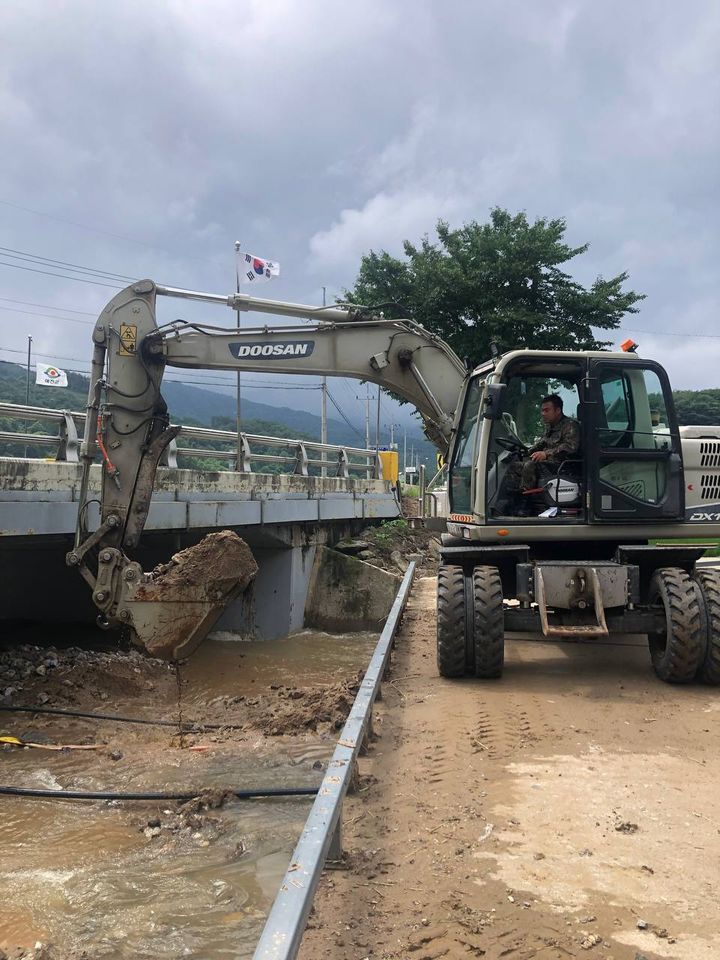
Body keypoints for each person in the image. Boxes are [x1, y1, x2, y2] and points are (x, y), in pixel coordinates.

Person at [496, 394, 580, 515]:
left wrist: (546, 454)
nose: (543, 413)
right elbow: (541, 443)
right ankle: (513, 501)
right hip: (549, 465)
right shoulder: (550, 427)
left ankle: (525, 505)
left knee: (530, 465)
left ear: (558, 410)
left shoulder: (570, 425)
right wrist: (524, 451)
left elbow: (570, 447)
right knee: (515, 466)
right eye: (542, 410)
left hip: (564, 466)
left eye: (547, 410)